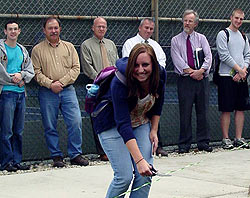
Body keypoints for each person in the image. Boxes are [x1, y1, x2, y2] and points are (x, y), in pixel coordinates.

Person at [92, 43, 166, 198]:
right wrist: (139, 160)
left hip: (141, 121)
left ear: (153, 65)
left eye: (146, 65)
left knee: (146, 172)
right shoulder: (120, 82)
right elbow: (123, 125)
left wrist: (154, 130)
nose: (141, 70)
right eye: (136, 65)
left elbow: (158, 102)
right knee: (124, 175)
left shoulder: (160, 75)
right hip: (112, 125)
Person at [31, 17, 89, 168]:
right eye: (50, 28)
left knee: (75, 121)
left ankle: (75, 154)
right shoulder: (37, 50)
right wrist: (50, 84)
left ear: (60, 29)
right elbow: (36, 72)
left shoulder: (69, 47)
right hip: (47, 92)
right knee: (50, 125)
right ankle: (56, 156)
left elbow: (76, 68)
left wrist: (61, 83)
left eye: (56, 28)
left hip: (68, 90)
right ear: (44, 30)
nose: (53, 31)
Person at [122, 18, 168, 157]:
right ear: (140, 28)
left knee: (152, 113)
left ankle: (155, 145)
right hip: (134, 88)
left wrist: (153, 75)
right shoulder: (130, 43)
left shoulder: (156, 45)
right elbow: (127, 63)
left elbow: (161, 62)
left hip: (151, 85)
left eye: (151, 29)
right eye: (146, 28)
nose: (148, 31)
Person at [171, 10, 212, 154]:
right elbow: (177, 60)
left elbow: (208, 57)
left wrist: (201, 71)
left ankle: (203, 142)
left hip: (202, 80)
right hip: (185, 81)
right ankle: (184, 144)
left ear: (195, 23)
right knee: (185, 112)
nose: (187, 23)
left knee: (203, 112)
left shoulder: (202, 38)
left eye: (190, 21)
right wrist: (191, 72)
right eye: (185, 20)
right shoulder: (175, 40)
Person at [80, 17, 119, 161]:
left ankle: (117, 148)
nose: (101, 29)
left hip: (114, 85)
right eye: (98, 26)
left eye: (104, 26)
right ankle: (102, 151)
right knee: (98, 117)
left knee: (115, 116)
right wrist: (102, 80)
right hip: (97, 86)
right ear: (93, 28)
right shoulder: (86, 45)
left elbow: (116, 62)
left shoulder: (111, 44)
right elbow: (87, 67)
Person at [0, 20, 34, 172]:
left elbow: (29, 70)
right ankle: (6, 162)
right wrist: (13, 79)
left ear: (19, 31)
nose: (13, 32)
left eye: (15, 29)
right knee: (6, 130)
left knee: (18, 130)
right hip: (6, 93)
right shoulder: (1, 50)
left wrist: (22, 76)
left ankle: (16, 160)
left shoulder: (23, 50)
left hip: (21, 94)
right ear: (5, 32)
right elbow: (2, 73)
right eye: (10, 29)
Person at [216, 8, 250, 149]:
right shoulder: (223, 34)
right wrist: (237, 70)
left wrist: (243, 71)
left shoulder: (243, 37)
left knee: (240, 108)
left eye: (241, 19)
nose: (238, 21)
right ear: (231, 17)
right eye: (236, 18)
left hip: (241, 78)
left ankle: (238, 138)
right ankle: (226, 139)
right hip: (226, 77)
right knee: (227, 109)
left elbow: (247, 55)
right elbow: (224, 55)